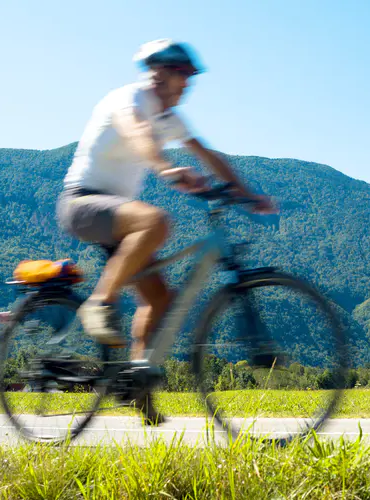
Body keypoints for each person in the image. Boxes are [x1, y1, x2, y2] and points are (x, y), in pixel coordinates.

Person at [57, 39, 274, 419]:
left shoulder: (169, 118)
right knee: (156, 221)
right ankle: (98, 302)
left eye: (191, 77)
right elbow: (138, 134)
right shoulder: (129, 100)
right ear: (161, 73)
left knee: (160, 299)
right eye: (184, 75)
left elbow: (208, 155)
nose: (189, 84)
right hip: (83, 204)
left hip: (118, 221)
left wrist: (247, 193)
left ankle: (137, 384)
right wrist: (165, 167)